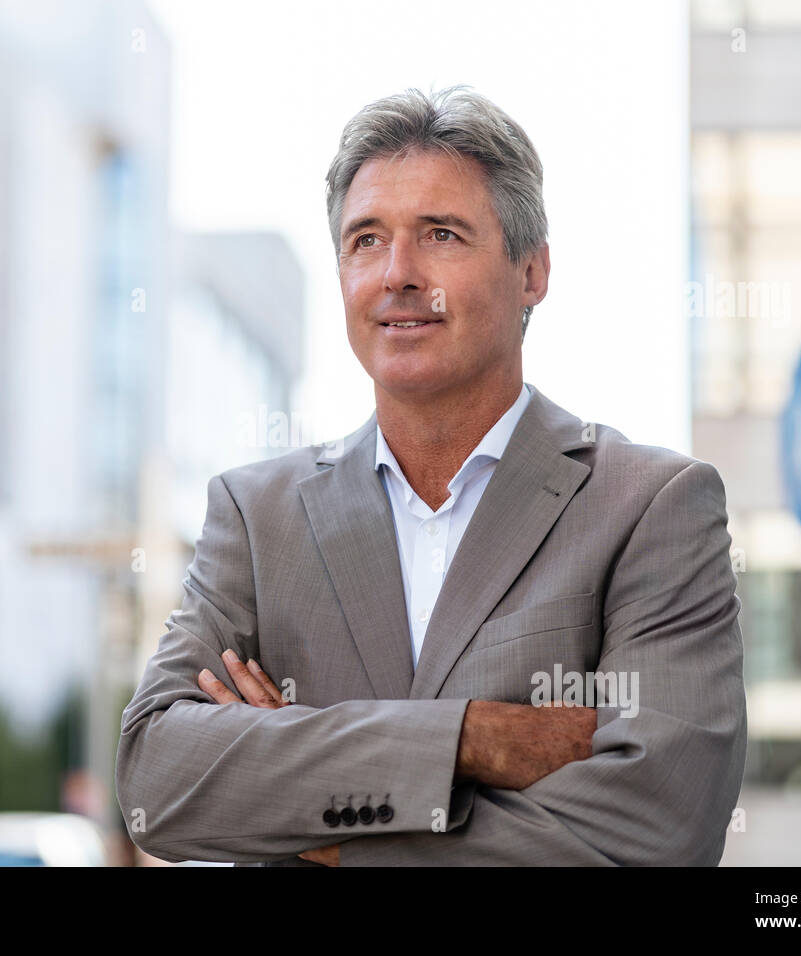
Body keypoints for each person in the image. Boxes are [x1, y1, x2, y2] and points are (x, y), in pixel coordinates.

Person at [115, 85, 746, 866]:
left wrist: (323, 832)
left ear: (532, 271)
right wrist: (471, 738)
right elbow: (156, 779)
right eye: (366, 240)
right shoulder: (256, 516)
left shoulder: (651, 508)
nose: (398, 274)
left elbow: (657, 831)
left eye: (441, 234)